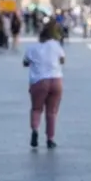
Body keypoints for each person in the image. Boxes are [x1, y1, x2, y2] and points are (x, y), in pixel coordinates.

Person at [23, 21, 65, 149]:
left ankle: (35, 130)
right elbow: (62, 60)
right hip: (56, 80)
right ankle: (50, 139)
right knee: (52, 112)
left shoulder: (32, 48)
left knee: (36, 109)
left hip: (39, 81)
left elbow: (25, 63)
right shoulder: (55, 45)